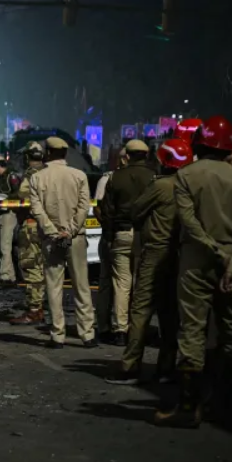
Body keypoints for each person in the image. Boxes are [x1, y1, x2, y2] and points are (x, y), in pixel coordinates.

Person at [155, 116, 232, 428]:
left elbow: (187, 220)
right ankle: (222, 402)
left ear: (199, 144)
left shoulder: (187, 176)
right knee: (230, 333)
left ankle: (188, 405)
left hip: (196, 262)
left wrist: (211, 249)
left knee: (192, 330)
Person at [106, 138, 190, 385]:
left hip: (155, 251)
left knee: (141, 309)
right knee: (169, 312)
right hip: (179, 252)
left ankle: (130, 366)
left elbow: (136, 211)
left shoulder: (161, 186)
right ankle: (166, 367)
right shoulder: (188, 185)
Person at [29, 137, 97, 349]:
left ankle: (58, 334)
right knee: (82, 286)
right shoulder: (79, 176)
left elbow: (37, 210)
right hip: (75, 238)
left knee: (54, 286)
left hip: (51, 239)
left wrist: (53, 231)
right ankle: (87, 334)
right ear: (65, 154)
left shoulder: (37, 178)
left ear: (48, 153)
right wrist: (70, 231)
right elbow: (83, 207)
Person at [99, 139, 155, 346]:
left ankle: (120, 329)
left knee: (122, 284)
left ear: (127, 156)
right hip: (146, 234)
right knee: (142, 284)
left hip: (121, 234)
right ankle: (139, 329)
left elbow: (107, 210)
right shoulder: (153, 177)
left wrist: (109, 235)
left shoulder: (115, 177)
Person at [11, 142, 47, 325]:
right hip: (51, 229)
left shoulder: (31, 175)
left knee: (32, 268)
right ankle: (42, 308)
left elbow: (24, 196)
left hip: (33, 226)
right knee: (46, 269)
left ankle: (34, 310)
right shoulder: (51, 173)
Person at [93, 150, 125, 339]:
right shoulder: (141, 178)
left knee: (106, 282)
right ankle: (120, 327)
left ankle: (105, 326)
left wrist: (106, 225)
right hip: (124, 235)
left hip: (109, 236)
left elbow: (97, 207)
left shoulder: (107, 179)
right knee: (123, 283)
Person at [0, 155, 21, 283]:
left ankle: (5, 275)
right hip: (1, 214)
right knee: (3, 247)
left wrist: (5, 199)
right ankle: (9, 275)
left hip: (9, 214)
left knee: (5, 247)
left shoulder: (11, 177)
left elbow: (19, 193)